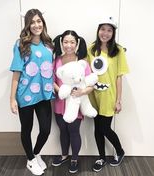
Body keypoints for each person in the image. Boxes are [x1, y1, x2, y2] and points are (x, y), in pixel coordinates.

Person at [9, 9, 54, 176]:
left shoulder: (49, 44)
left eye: (39, 21)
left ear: (43, 22)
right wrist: (12, 98)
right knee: (26, 129)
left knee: (45, 130)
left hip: (44, 94)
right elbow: (16, 71)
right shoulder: (21, 44)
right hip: (25, 95)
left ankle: (35, 154)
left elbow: (51, 70)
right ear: (28, 25)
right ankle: (30, 159)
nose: (36, 25)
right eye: (32, 22)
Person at [86, 16, 129, 172]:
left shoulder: (117, 50)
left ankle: (120, 151)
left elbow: (119, 77)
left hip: (109, 96)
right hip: (93, 95)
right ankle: (101, 158)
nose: (105, 33)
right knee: (97, 128)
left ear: (113, 32)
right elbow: (85, 70)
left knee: (105, 128)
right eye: (102, 29)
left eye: (109, 30)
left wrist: (119, 100)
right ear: (98, 30)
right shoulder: (91, 49)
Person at [51, 30, 94, 174]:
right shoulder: (56, 61)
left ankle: (74, 159)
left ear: (77, 44)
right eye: (66, 42)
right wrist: (62, 90)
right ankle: (64, 155)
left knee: (74, 131)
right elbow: (51, 81)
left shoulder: (82, 63)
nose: (68, 45)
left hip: (76, 104)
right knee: (63, 130)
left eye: (72, 42)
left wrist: (81, 92)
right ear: (62, 43)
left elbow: (90, 84)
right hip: (60, 102)